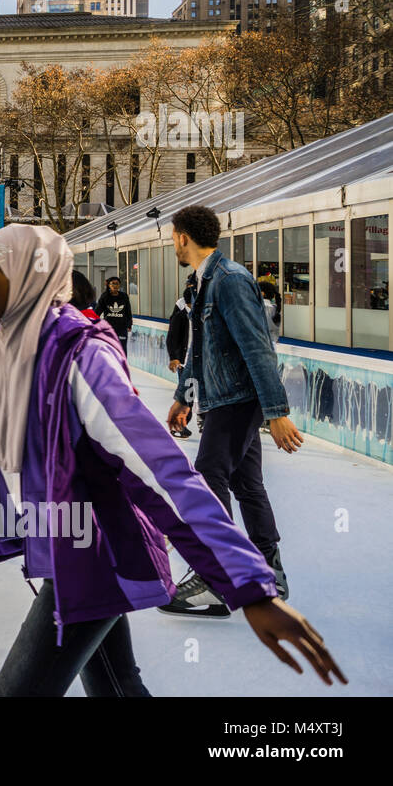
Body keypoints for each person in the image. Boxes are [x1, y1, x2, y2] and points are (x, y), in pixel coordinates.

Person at [0, 224, 346, 697]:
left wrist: (247, 584)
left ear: (30, 277)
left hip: (100, 555)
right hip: (67, 546)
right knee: (118, 688)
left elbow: (160, 469)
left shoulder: (81, 356)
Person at [166, 205, 300, 615]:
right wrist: (184, 395)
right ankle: (267, 573)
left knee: (208, 476)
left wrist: (276, 412)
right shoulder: (203, 283)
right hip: (223, 398)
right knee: (246, 484)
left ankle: (217, 578)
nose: (172, 242)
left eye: (173, 236)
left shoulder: (230, 280)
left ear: (184, 237)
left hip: (239, 400)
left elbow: (258, 348)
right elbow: (201, 348)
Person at [165, 272, 197, 439]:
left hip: (203, 361)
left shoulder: (205, 312)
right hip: (186, 362)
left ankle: (204, 423)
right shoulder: (181, 312)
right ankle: (180, 425)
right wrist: (174, 357)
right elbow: (172, 336)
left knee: (203, 396)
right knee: (188, 395)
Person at [96, 276, 133, 356]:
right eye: (113, 284)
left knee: (122, 348)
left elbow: (128, 311)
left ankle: (122, 365)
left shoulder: (124, 296)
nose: (115, 286)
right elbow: (97, 311)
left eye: (117, 284)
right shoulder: (105, 297)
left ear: (119, 285)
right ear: (109, 285)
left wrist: (129, 324)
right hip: (108, 328)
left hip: (122, 328)